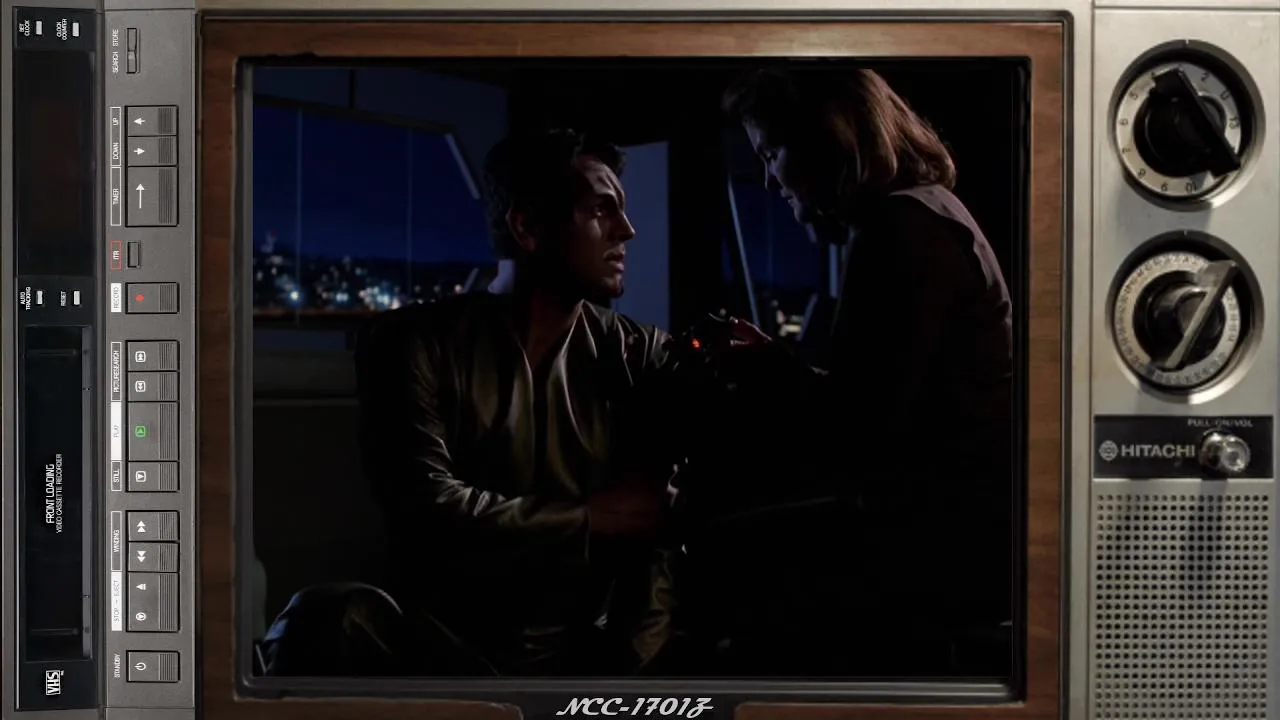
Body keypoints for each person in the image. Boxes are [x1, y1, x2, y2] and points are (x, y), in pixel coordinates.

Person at [263, 129, 679, 677]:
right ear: (527, 228)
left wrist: (624, 680)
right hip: (440, 650)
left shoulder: (641, 354)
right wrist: (592, 519)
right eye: (601, 210)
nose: (627, 229)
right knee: (324, 618)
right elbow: (427, 506)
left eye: (620, 210)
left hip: (578, 654)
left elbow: (659, 531)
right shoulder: (412, 342)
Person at [713, 68, 1015, 673]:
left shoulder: (900, 231)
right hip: (962, 527)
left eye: (771, 153)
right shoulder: (933, 214)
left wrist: (765, 369)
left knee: (713, 560)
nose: (769, 180)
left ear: (831, 137)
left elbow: (858, 434)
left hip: (937, 543)